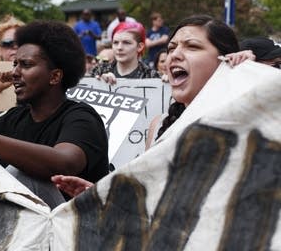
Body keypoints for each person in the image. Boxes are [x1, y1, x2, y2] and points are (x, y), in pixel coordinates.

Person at [54, 15, 254, 197]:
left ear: (226, 58)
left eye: (192, 46)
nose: (174, 55)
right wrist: (98, 196)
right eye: (171, 48)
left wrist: (254, 76)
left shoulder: (248, 121)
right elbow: (148, 195)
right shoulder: (158, 126)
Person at [0, 21, 109, 208]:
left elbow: (65, 163)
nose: (14, 73)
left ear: (55, 76)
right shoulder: (15, 118)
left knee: (25, 174)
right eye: (15, 65)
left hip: (73, 226)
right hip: (22, 230)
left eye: (25, 65)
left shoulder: (82, 118)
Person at [91, 21, 160, 85]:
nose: (119, 47)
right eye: (115, 42)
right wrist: (100, 83)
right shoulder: (100, 70)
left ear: (139, 47)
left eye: (126, 43)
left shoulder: (151, 76)